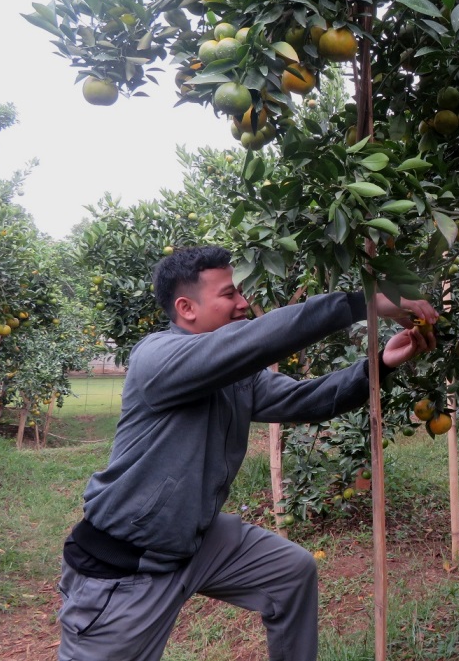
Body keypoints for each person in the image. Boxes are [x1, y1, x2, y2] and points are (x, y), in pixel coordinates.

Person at [57, 244, 438, 661]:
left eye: (241, 292)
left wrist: (379, 364)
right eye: (228, 295)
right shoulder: (156, 358)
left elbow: (306, 399)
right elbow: (254, 341)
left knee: (290, 572)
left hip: (193, 539)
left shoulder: (237, 377)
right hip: (126, 565)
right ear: (186, 307)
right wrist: (360, 303)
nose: (243, 304)